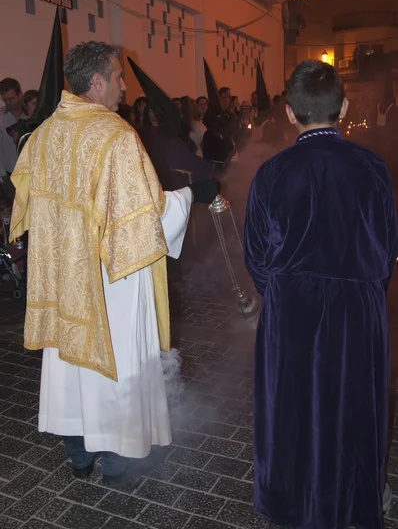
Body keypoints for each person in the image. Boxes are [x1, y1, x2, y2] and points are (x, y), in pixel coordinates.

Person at [9, 41, 219, 485]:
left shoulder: (45, 133)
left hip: (65, 279)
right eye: (119, 77)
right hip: (111, 280)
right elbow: (149, 215)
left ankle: (79, 456)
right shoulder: (115, 136)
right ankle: (119, 460)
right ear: (98, 81)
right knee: (115, 364)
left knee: (70, 370)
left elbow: (24, 203)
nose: (126, 86)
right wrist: (192, 195)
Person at [244, 59, 398, 529]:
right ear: (344, 106)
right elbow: (388, 246)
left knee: (294, 404)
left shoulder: (272, 172)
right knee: (354, 403)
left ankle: (293, 500)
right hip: (359, 308)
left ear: (290, 112)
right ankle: (356, 498)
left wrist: (283, 293)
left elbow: (256, 255)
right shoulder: (373, 168)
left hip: (292, 308)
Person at [0, 78, 25, 206]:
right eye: (5, 99)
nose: (8, 103)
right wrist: (2, 175)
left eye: (11, 98)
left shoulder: (32, 114)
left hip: (30, 174)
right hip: (8, 176)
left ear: (20, 94)